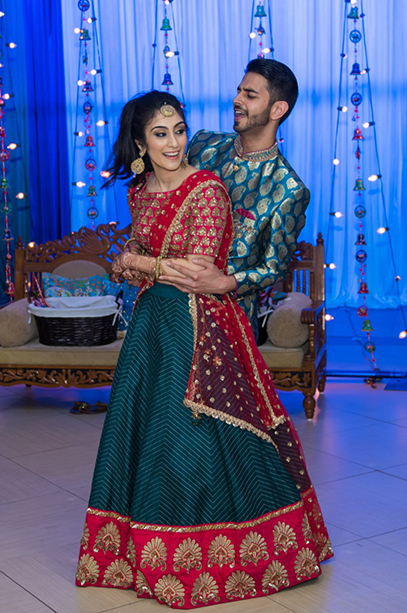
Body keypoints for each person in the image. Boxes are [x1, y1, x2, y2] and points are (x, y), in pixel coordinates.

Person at [75, 90, 332, 608]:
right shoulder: (141, 189)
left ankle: (212, 554)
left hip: (199, 327)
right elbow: (148, 255)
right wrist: (140, 261)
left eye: (178, 130)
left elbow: (194, 271)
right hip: (152, 325)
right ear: (141, 144)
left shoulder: (207, 189)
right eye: (160, 133)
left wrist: (137, 262)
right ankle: (143, 554)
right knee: (143, 436)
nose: (174, 142)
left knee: (191, 434)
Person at [158, 59, 310, 340]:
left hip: (227, 319)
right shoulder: (203, 145)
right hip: (168, 303)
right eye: (239, 91)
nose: (236, 100)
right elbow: (167, 202)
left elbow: (273, 268)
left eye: (249, 95)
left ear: (278, 109)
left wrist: (224, 282)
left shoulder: (288, 189)